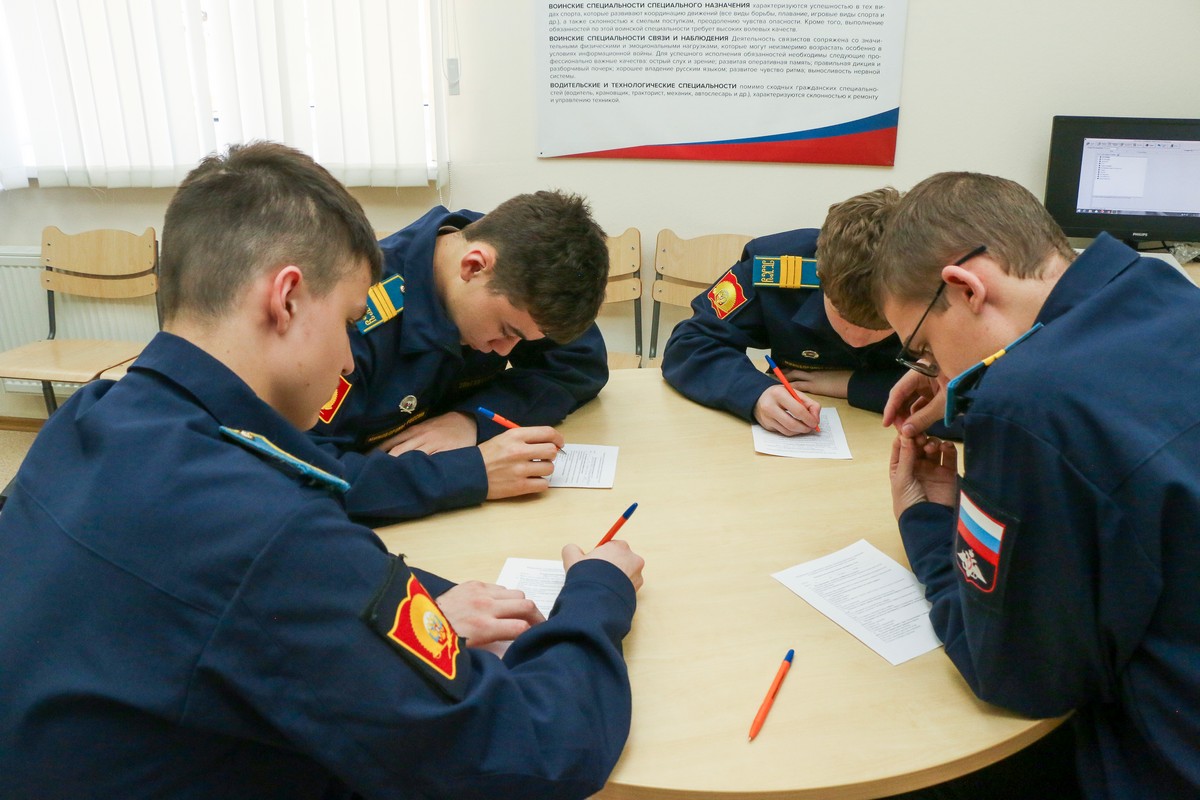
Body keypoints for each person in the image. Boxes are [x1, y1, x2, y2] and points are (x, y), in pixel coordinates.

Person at [0, 142, 645, 800]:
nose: (349, 362)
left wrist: (390, 615)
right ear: (286, 300)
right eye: (348, 321)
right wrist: (597, 593)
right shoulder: (273, 533)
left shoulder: (83, 421)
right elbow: (538, 752)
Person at [875, 171, 1200, 798]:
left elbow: (1018, 677)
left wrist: (927, 524)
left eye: (922, 348)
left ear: (966, 287)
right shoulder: (1163, 289)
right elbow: (1117, 420)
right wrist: (964, 392)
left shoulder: (1024, 405)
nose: (931, 369)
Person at [309, 191, 610, 523]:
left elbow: (580, 363)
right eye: (505, 330)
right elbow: (303, 472)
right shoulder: (353, 316)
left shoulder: (520, 259)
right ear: (473, 266)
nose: (505, 350)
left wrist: (471, 421)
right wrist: (471, 472)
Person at [660, 187, 904, 436]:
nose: (858, 339)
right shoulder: (775, 265)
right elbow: (690, 343)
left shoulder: (925, 284)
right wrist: (756, 393)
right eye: (842, 314)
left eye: (884, 324)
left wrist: (855, 385)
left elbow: (934, 392)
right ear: (820, 276)